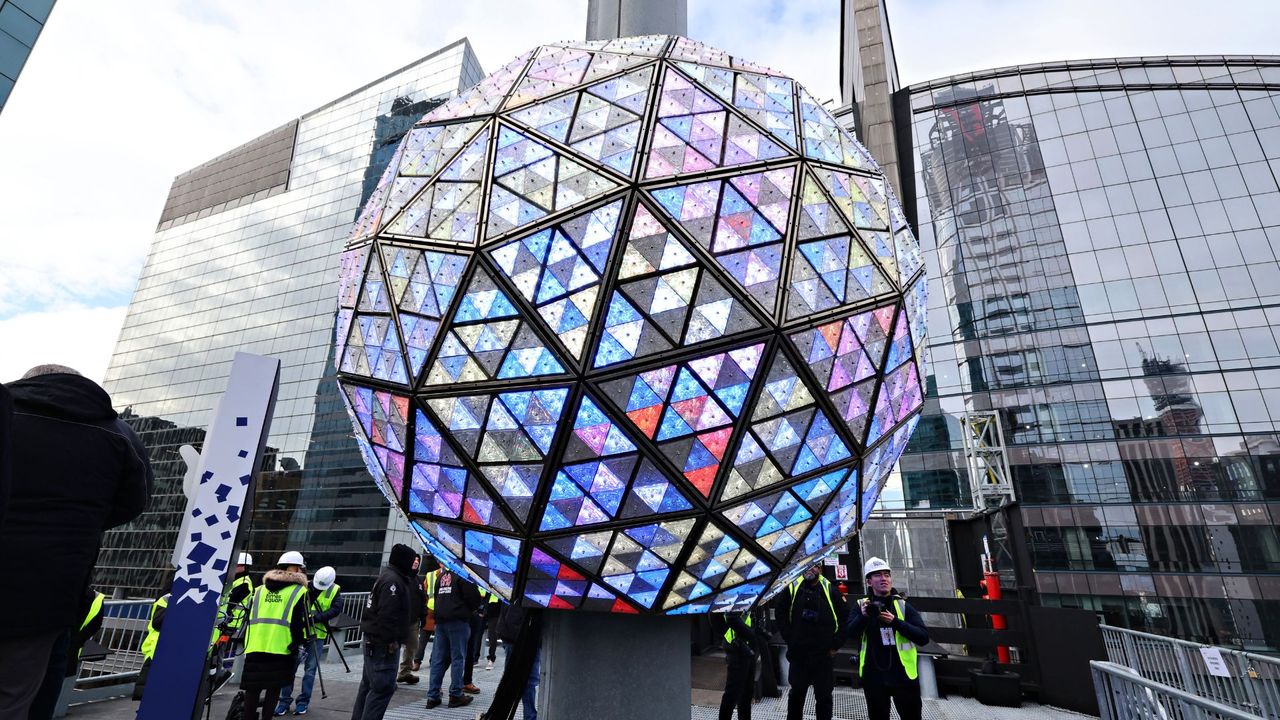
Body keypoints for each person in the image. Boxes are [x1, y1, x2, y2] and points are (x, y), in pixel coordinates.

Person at [0, 365, 151, 718]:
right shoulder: (118, 433)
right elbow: (133, 503)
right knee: (14, 696)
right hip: (47, 592)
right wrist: (79, 524)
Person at [847, 558, 930, 720]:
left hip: (903, 675)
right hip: (873, 676)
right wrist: (863, 617)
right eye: (877, 575)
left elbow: (923, 637)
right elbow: (849, 633)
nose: (884, 578)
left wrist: (895, 622)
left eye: (886, 575)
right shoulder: (861, 606)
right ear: (869, 581)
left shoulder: (903, 606)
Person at [350, 544, 416, 720]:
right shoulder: (393, 582)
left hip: (374, 642)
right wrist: (391, 641)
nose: (413, 565)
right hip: (383, 646)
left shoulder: (388, 577)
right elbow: (387, 615)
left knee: (368, 686)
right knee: (382, 688)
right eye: (411, 561)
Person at [240, 553, 309, 720]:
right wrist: (299, 642)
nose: (300, 570)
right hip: (281, 646)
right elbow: (298, 623)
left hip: (255, 645)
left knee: (252, 689)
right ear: (293, 568)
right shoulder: (298, 591)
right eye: (298, 567)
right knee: (273, 690)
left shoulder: (259, 590)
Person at [776, 564, 846, 720]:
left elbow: (844, 618)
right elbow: (780, 611)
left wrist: (835, 645)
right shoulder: (793, 586)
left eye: (815, 566)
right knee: (796, 696)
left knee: (824, 697)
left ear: (820, 569)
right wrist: (790, 639)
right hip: (799, 654)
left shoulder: (830, 589)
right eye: (807, 565)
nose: (810, 569)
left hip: (823, 655)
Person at [29, 586, 105, 720]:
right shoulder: (97, 598)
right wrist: (76, 642)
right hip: (69, 652)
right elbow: (95, 625)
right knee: (48, 697)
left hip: (41, 648)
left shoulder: (60, 589)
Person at [277, 565, 342, 716]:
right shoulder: (305, 587)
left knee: (310, 671)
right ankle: (284, 701)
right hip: (298, 634)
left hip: (316, 635)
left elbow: (336, 609)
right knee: (289, 669)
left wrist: (316, 618)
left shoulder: (334, 589)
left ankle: (303, 702)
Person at [424, 567, 482, 709]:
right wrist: (472, 609)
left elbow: (437, 597)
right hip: (458, 620)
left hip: (442, 621)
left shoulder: (442, 575)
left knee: (438, 659)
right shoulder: (463, 574)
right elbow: (474, 598)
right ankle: (455, 694)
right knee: (458, 658)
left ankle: (433, 696)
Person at [484, 602, 540, 720]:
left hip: (518, 633)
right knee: (523, 680)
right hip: (520, 634)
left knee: (517, 680)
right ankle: (527, 716)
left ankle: (525, 715)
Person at [715, 610, 758, 720]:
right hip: (737, 648)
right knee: (732, 694)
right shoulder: (735, 594)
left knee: (746, 693)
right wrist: (751, 634)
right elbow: (731, 617)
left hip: (747, 647)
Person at [397, 555, 424, 685]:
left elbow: (423, 599)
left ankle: (404, 672)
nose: (416, 562)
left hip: (413, 620)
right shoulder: (401, 578)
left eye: (418, 560)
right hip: (399, 620)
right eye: (414, 560)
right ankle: (390, 674)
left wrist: (423, 616)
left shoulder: (418, 580)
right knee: (394, 646)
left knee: (412, 645)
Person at [225, 553, 255, 641]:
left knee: (216, 652)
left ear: (244, 567)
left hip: (229, 624)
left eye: (236, 565)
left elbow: (230, 602)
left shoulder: (244, 583)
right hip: (223, 621)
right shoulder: (234, 580)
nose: (233, 567)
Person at [483, 590, 501, 671]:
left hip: (499, 612)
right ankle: (490, 658)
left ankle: (491, 658)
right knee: (491, 637)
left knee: (493, 637)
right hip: (490, 613)